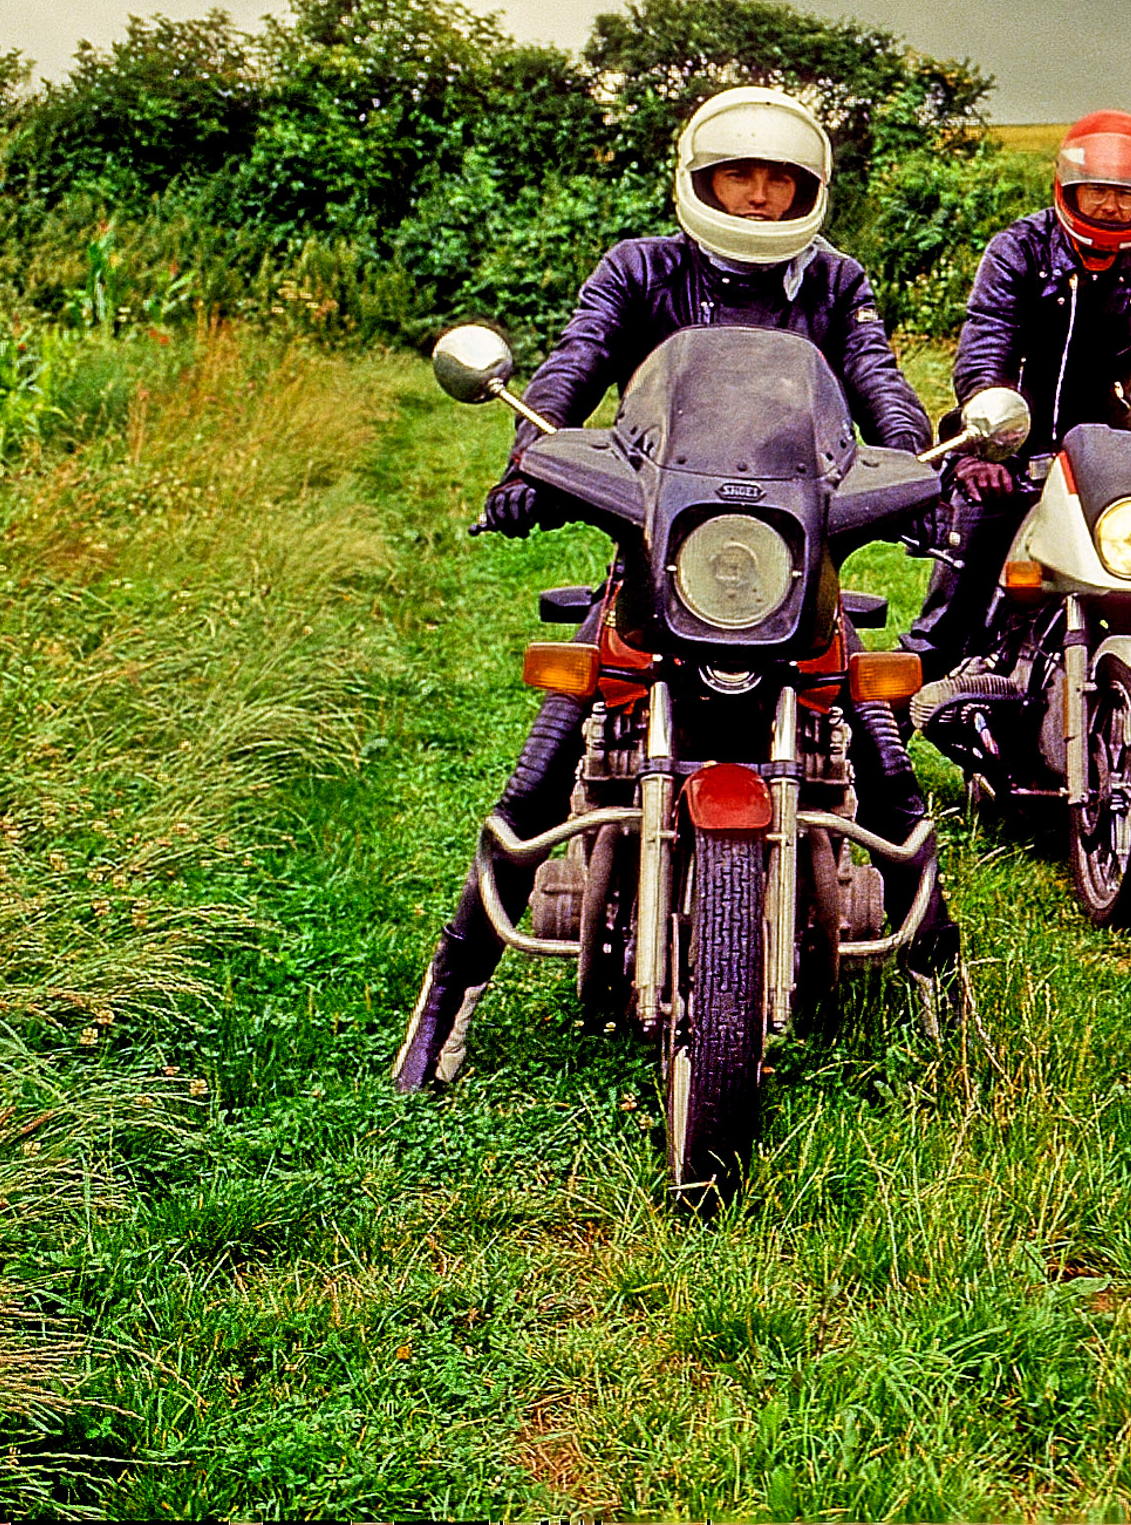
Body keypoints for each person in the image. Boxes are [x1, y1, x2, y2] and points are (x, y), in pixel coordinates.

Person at [392, 85, 936, 1093]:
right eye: (741, 175)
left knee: (882, 754)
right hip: (658, 551)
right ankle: (446, 1002)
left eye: (781, 179)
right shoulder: (640, 268)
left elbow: (880, 383)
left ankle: (943, 987)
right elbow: (574, 365)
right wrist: (528, 464)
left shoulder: (835, 281)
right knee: (543, 767)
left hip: (789, 557)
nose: (760, 195)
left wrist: (916, 469)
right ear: (700, 179)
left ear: (809, 189)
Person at [904, 109, 1131, 680]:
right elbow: (986, 352)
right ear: (1068, 187)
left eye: (1126, 195)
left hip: (1104, 461)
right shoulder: (1020, 248)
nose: (1110, 206)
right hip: (1005, 449)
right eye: (1097, 190)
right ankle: (904, 714)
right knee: (957, 608)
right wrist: (984, 450)